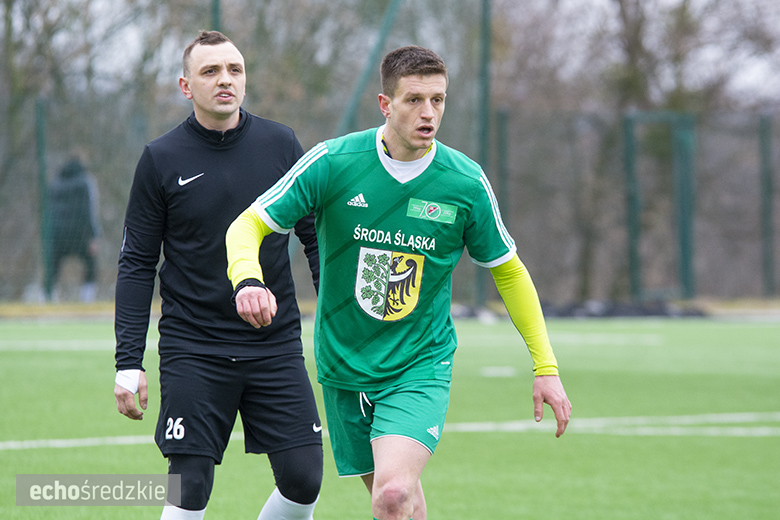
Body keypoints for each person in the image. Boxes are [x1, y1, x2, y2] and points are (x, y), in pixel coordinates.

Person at [226, 45, 572, 520]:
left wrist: (545, 366)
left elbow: (508, 270)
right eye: (414, 100)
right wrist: (247, 278)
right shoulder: (333, 162)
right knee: (401, 503)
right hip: (344, 365)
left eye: (438, 99)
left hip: (418, 367)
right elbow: (248, 224)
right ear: (385, 104)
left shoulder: (464, 183)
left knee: (391, 496)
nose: (429, 113)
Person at [113, 31, 323, 520]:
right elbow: (137, 263)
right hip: (195, 345)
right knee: (190, 485)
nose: (225, 80)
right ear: (186, 87)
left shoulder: (281, 144)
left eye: (235, 70)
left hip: (273, 342)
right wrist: (129, 361)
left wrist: (340, 318)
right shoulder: (160, 159)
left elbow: (316, 238)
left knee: (304, 479)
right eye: (210, 71)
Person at [45, 154, 101, 302]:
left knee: (53, 267)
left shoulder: (55, 182)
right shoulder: (85, 182)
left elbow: (48, 211)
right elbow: (89, 211)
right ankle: (87, 299)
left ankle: (48, 299)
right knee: (91, 264)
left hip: (57, 234)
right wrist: (93, 236)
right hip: (80, 235)